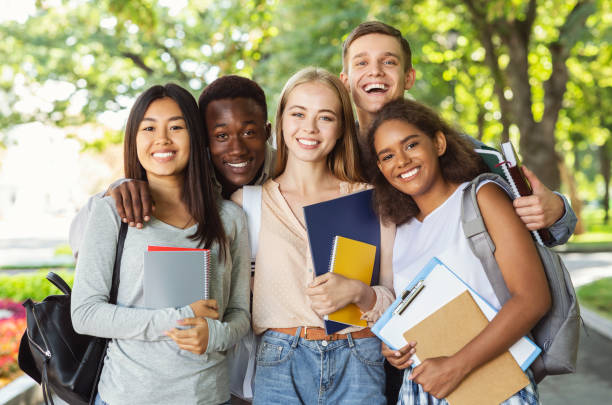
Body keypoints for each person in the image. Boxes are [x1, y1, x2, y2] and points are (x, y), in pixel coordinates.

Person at [70, 83, 250, 405]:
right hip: (127, 395)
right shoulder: (112, 211)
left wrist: (215, 335)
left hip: (208, 396)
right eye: (149, 127)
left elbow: (239, 313)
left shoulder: (230, 218)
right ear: (134, 138)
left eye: (176, 127)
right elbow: (85, 313)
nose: (162, 139)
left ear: (194, 136)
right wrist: (178, 318)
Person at [368, 98, 550, 405]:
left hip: (492, 385)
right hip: (421, 390)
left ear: (438, 143)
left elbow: (533, 299)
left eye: (411, 145)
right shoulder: (400, 229)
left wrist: (456, 366)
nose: (401, 160)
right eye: (387, 156)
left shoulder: (481, 197)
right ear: (380, 167)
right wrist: (396, 348)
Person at [230, 67, 395, 404]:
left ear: (341, 129)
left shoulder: (370, 199)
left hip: (359, 359)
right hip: (280, 361)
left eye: (325, 117)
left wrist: (359, 293)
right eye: (298, 113)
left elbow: (398, 297)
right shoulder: (248, 203)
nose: (309, 128)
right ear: (280, 122)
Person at [339, 21, 576, 244]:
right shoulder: (331, 155)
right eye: (361, 63)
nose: (376, 71)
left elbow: (544, 230)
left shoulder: (461, 150)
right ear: (345, 81)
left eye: (389, 62)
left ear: (408, 77)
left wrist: (556, 211)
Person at [68, 76, 275, 257]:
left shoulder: (287, 172)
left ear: (267, 132)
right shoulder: (183, 175)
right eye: (221, 136)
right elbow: (83, 246)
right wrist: (117, 190)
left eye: (249, 133)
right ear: (202, 138)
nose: (237, 149)